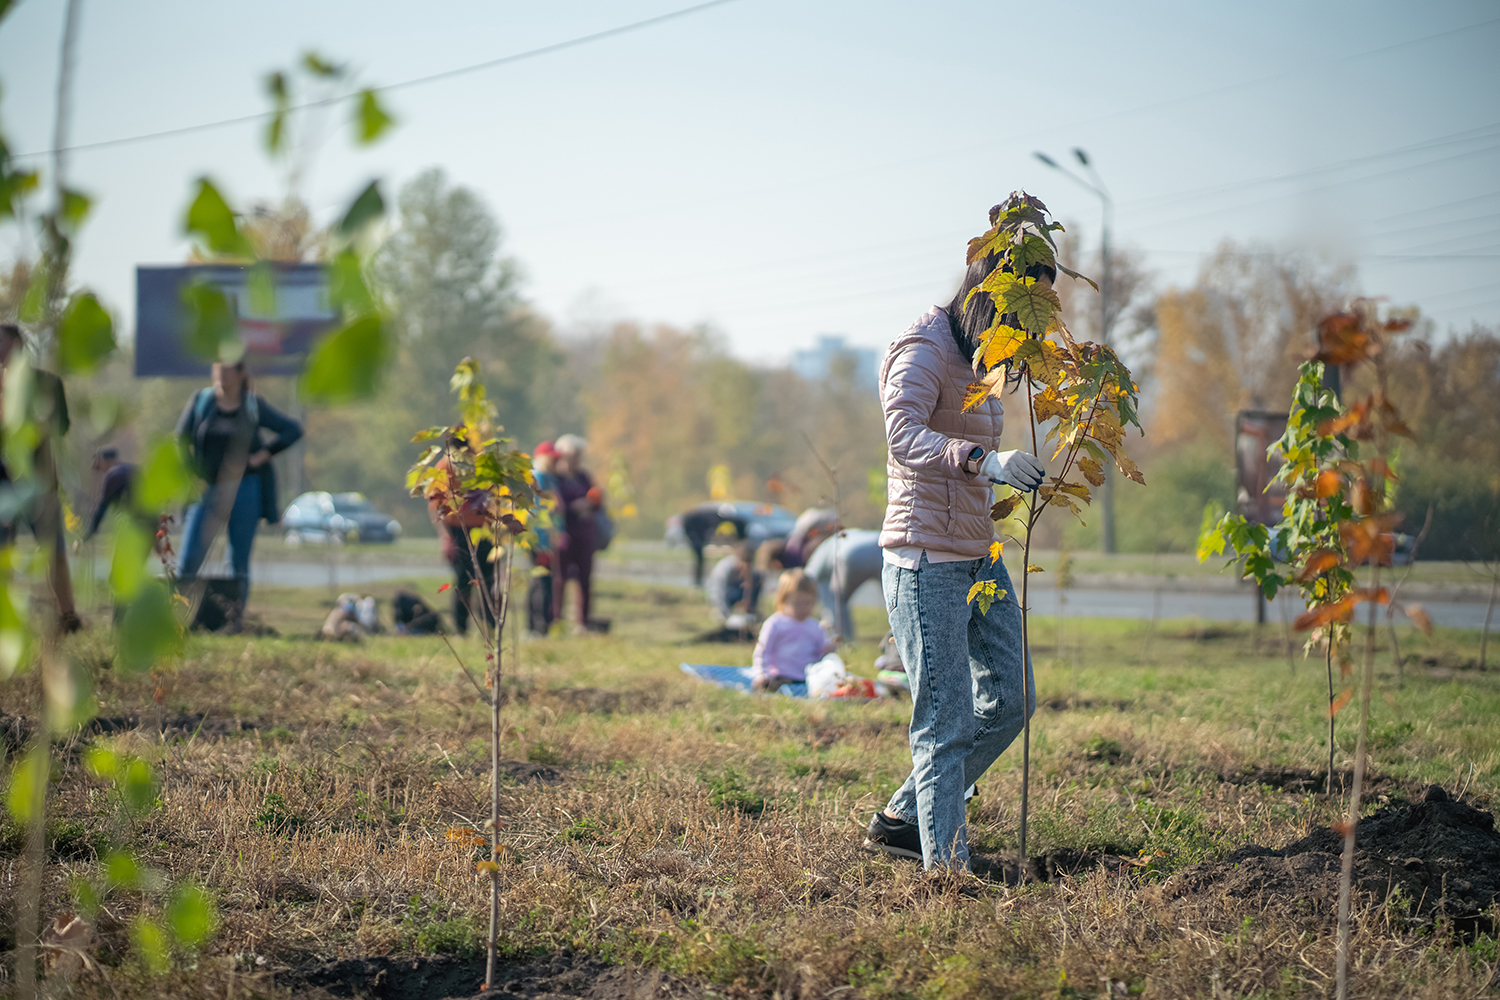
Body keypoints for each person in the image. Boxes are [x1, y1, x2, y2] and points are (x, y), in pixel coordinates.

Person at [862, 196, 1049, 870]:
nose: (1018, 327)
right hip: (923, 560)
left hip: (979, 554)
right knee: (946, 721)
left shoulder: (984, 354)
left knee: (1013, 698)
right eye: (1013, 310)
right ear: (984, 289)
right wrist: (983, 460)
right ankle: (946, 873)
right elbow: (903, 432)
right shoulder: (925, 344)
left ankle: (903, 816)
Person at [175, 360, 303, 602]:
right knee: (189, 559)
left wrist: (262, 455)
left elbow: (292, 430)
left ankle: (233, 619)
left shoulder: (252, 405)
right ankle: (178, 617)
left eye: (228, 368)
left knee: (238, 563)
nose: (221, 373)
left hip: (244, 488)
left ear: (241, 372)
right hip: (206, 488)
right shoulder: (201, 402)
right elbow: (179, 440)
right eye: (217, 367)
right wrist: (190, 474)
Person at [0, 323, 82, 633]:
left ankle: (68, 617)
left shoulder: (47, 383)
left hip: (40, 485)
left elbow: (60, 428)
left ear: (19, 345)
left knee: (54, 553)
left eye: (2, 343)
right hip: (3, 487)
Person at [429, 437, 496, 638]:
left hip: (484, 531)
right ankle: (461, 629)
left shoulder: (482, 466)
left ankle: (489, 627)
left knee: (488, 581)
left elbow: (496, 495)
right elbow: (435, 506)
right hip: (458, 530)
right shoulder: (444, 468)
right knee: (463, 580)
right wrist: (445, 536)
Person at [751, 569, 834, 692]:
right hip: (779, 676)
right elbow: (763, 651)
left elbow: (819, 654)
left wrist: (828, 649)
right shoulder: (775, 623)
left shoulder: (815, 627)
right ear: (783, 600)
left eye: (808, 603)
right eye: (797, 603)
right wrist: (760, 675)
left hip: (807, 677)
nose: (803, 608)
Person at [551, 434, 603, 629]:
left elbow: (597, 499)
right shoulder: (555, 478)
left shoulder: (584, 477)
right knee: (560, 578)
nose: (578, 459)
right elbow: (553, 504)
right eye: (574, 455)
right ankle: (557, 620)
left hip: (585, 534)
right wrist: (573, 506)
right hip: (564, 534)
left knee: (585, 578)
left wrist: (591, 503)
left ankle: (583, 621)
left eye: (580, 455)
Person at [803, 527, 882, 641]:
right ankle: (896, 639)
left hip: (849, 555)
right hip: (881, 547)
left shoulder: (819, 553)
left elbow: (808, 578)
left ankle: (844, 640)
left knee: (837, 600)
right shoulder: (840, 537)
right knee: (893, 599)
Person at [527, 440, 560, 635]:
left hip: (549, 539)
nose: (555, 463)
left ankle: (541, 627)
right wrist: (542, 543)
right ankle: (537, 627)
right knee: (540, 583)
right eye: (551, 459)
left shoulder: (550, 478)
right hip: (539, 540)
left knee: (544, 582)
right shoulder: (537, 478)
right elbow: (538, 513)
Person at [84, 447, 137, 540]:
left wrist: (90, 531)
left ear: (107, 460)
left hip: (133, 521)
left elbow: (103, 505)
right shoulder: (131, 469)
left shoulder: (114, 475)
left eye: (100, 461)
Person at [705, 540, 762, 626]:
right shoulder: (725, 569)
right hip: (726, 608)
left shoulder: (755, 573)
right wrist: (725, 614)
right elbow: (717, 592)